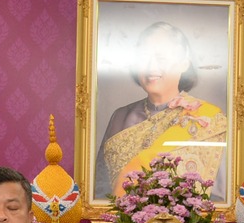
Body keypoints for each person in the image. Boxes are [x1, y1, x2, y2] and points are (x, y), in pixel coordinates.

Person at [95, 20, 227, 197]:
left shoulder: (209, 119)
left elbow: (218, 196)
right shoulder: (120, 117)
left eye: (161, 58)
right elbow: (100, 189)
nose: (151, 67)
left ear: (184, 64)